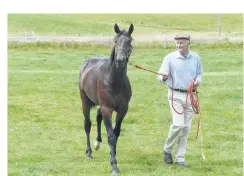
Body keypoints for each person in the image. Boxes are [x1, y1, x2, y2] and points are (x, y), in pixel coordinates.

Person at [157, 34, 203, 167]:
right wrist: (164, 77)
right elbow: (161, 75)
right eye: (177, 43)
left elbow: (199, 74)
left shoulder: (196, 58)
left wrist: (197, 81)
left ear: (188, 43)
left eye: (181, 43)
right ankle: (167, 149)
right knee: (178, 125)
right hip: (175, 95)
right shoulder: (170, 58)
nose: (178, 45)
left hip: (191, 96)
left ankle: (180, 159)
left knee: (186, 128)